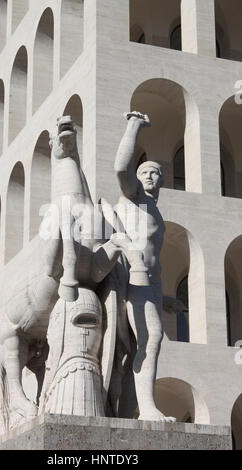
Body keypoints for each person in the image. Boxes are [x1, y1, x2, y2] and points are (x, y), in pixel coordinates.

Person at [111, 111, 179, 422]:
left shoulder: (155, 212)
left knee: (137, 348)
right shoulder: (134, 198)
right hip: (131, 279)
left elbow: (156, 261)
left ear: (163, 180)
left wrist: (164, 298)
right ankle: (148, 409)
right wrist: (134, 126)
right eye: (145, 172)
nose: (150, 176)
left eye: (155, 172)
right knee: (152, 337)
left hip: (148, 285)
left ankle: (128, 410)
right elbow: (120, 167)